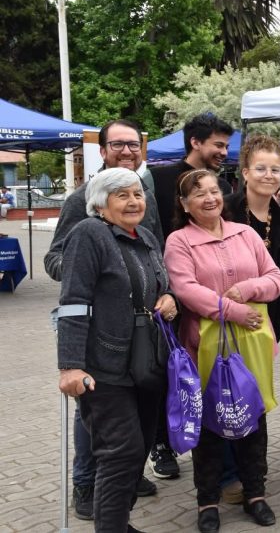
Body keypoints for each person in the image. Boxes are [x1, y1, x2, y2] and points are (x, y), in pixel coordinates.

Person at [45, 119, 163, 521]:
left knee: (136, 447)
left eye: (136, 194)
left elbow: (158, 277)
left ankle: (118, 519)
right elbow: (73, 301)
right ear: (100, 202)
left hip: (144, 358)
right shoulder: (88, 231)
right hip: (105, 359)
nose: (133, 201)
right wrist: (70, 365)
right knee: (119, 450)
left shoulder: (145, 235)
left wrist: (166, 295)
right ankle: (95, 500)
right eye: (121, 196)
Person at [164, 169, 280, 531]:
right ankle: (208, 501)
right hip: (204, 345)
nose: (210, 198)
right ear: (185, 204)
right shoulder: (179, 241)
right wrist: (232, 310)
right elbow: (185, 289)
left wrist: (248, 289)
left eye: (214, 191)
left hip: (251, 345)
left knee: (253, 416)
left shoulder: (245, 233)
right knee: (210, 422)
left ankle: (255, 494)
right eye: (199, 193)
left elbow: (275, 278)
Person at [224, 134, 280, 339]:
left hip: (266, 321)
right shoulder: (224, 210)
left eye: (275, 170)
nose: (269, 175)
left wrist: (278, 325)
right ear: (245, 173)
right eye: (261, 169)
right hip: (225, 314)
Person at [150, 113, 235, 239]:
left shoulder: (223, 187)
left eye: (226, 147)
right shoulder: (156, 178)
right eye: (219, 145)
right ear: (195, 143)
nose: (224, 152)